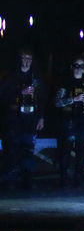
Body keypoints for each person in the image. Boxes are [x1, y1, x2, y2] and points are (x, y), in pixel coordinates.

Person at [1, 50, 46, 189]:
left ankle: (27, 180)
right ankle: (10, 181)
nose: (26, 61)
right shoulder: (11, 77)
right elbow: (2, 95)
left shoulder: (36, 78)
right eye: (24, 58)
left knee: (28, 149)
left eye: (29, 58)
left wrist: (41, 118)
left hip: (30, 119)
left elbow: (42, 99)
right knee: (12, 150)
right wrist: (20, 93)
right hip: (14, 119)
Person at [55, 57, 84, 187]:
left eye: (82, 66)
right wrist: (73, 99)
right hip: (69, 120)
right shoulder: (65, 82)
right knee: (65, 149)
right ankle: (64, 178)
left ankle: (78, 178)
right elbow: (57, 102)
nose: (79, 68)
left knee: (81, 150)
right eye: (76, 65)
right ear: (72, 67)